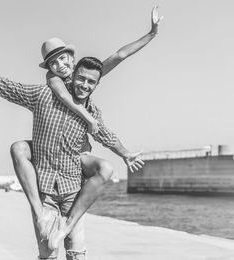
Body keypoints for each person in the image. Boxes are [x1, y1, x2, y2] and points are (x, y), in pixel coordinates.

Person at [0, 55, 145, 259]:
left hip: (72, 188)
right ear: (72, 76)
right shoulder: (42, 95)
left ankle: (67, 226)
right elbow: (2, 85)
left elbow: (106, 136)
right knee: (47, 253)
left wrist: (126, 154)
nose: (84, 85)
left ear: (97, 85)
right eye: (81, 78)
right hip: (44, 189)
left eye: (91, 82)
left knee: (76, 250)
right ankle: (40, 216)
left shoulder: (91, 113)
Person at [9, 4, 162, 245]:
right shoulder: (52, 82)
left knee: (100, 170)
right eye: (54, 63)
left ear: (72, 58)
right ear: (50, 67)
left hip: (76, 156)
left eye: (64, 59)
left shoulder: (86, 74)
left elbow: (119, 55)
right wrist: (87, 117)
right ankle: (42, 214)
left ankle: (66, 225)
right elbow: (57, 90)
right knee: (19, 147)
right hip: (52, 156)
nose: (61, 66)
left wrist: (151, 34)